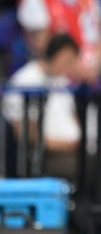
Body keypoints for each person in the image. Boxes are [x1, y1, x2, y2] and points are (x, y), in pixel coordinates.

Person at [2, 34, 82, 181]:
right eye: (68, 60)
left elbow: (73, 118)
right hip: (46, 157)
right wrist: (67, 145)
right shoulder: (26, 81)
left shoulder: (62, 81)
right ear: (56, 55)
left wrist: (79, 141)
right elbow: (25, 134)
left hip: (75, 150)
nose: (71, 67)